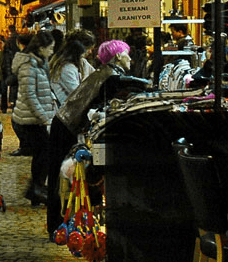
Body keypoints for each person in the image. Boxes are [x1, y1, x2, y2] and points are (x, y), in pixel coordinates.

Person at [45, 39, 151, 236]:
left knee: (57, 176)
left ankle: (57, 224)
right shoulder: (111, 76)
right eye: (126, 54)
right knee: (58, 177)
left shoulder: (106, 72)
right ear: (118, 56)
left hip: (65, 122)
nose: (130, 59)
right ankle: (56, 226)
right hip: (67, 124)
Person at [13, 29, 58, 206]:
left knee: (42, 153)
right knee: (44, 152)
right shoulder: (28, 66)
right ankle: (35, 189)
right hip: (29, 119)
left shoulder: (39, 63)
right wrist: (44, 117)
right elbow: (30, 95)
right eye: (50, 48)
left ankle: (36, 189)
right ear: (41, 48)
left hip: (35, 118)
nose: (52, 52)